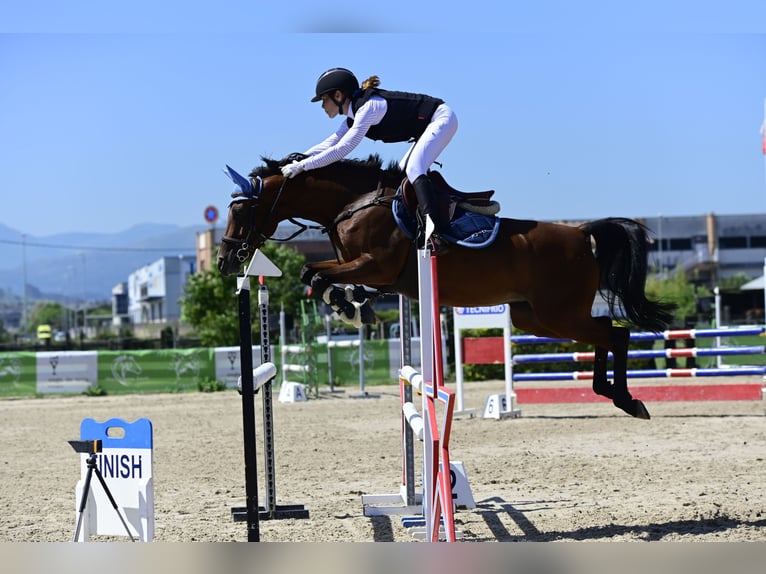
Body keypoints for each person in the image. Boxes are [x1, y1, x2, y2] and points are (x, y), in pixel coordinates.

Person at [280, 67, 458, 250]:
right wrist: (299, 159)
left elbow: (343, 149)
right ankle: (430, 214)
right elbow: (331, 142)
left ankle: (435, 233)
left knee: (414, 168)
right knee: (403, 170)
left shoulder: (368, 108)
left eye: (324, 100)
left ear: (338, 95)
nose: (322, 106)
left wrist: (304, 166)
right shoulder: (353, 117)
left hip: (441, 118)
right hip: (428, 126)